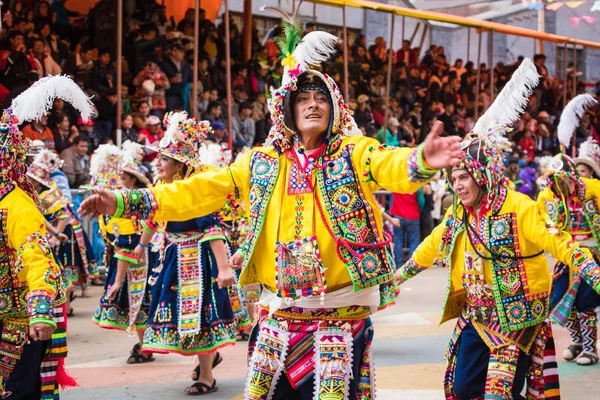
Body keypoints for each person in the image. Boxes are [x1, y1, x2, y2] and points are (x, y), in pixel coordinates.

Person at [79, 20, 461, 398]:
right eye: (304, 99)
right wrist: (125, 201)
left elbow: (390, 166)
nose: (313, 104)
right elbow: (199, 191)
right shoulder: (261, 163)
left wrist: (420, 160)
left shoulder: (353, 153)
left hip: (339, 319)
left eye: (321, 98)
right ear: (287, 111)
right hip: (277, 314)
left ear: (335, 109)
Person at [395, 59, 600, 399]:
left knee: (497, 393)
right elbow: (432, 245)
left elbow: (558, 242)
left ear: (482, 175)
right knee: (463, 391)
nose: (458, 186)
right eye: (454, 179)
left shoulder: (520, 207)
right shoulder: (459, 214)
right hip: (476, 317)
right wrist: (397, 279)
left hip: (516, 319)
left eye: (464, 177)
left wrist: (593, 271)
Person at [124, 113, 236, 395]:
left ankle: (207, 376)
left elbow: (213, 230)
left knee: (200, 316)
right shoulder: (163, 189)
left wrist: (223, 269)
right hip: (174, 255)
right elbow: (153, 218)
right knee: (178, 315)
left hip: (198, 260)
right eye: (158, 158)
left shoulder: (195, 192)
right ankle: (208, 362)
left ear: (179, 166)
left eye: (163, 159)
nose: (157, 163)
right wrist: (141, 245)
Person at [0, 108, 66, 400]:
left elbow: (39, 259)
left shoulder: (16, 204)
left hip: (16, 321)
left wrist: (39, 311)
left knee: (18, 393)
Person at [537, 94, 600, 366]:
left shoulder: (595, 190)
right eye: (555, 180)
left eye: (586, 170)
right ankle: (576, 341)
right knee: (557, 300)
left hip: (593, 255)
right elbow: (543, 223)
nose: (560, 185)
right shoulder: (546, 197)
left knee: (586, 303)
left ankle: (590, 348)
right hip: (566, 257)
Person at [91, 142, 154, 363]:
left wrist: (117, 280)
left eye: (125, 178)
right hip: (139, 255)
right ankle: (145, 343)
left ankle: (146, 346)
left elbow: (126, 245)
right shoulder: (133, 203)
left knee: (139, 299)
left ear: (134, 180)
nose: (120, 182)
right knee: (140, 301)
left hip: (137, 259)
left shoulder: (130, 207)